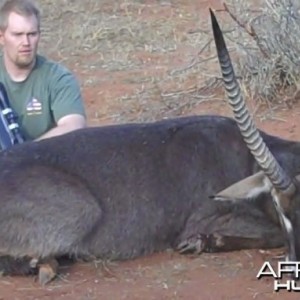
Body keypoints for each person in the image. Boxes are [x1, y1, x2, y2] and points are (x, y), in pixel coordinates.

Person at [0, 0, 86, 142]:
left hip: (44, 161)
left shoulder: (58, 78)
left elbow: (74, 125)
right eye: (18, 34)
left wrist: (23, 155)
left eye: (32, 34)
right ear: (2, 38)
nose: (26, 43)